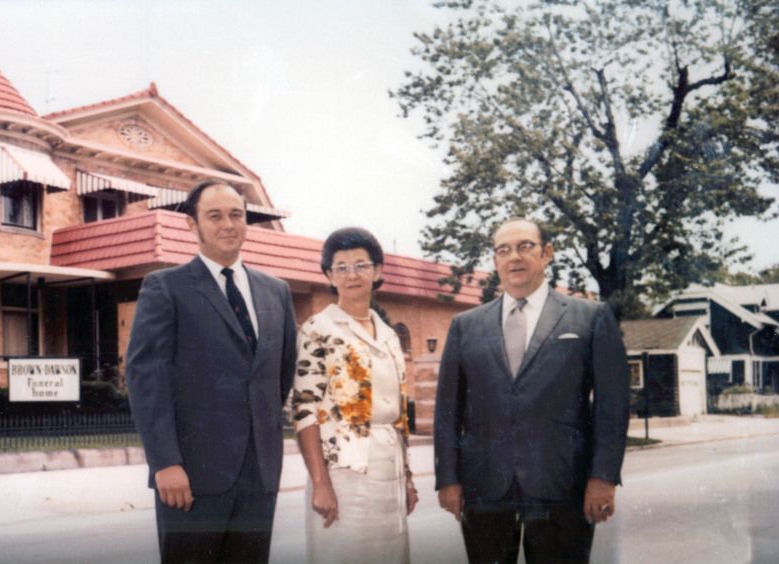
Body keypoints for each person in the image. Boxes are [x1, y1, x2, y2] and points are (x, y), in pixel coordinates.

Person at [434, 217, 630, 563]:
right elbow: (447, 410)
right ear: (495, 260)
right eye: (503, 250)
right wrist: (447, 478)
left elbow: (612, 408)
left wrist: (603, 478)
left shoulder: (590, 318)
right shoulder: (465, 326)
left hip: (562, 485)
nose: (514, 257)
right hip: (485, 487)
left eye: (525, 246)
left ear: (547, 253)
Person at [125, 180, 297, 563]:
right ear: (193, 224)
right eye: (214, 215)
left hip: (259, 474)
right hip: (191, 477)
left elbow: (278, 376)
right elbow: (147, 382)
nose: (228, 224)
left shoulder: (276, 291)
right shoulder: (165, 287)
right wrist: (165, 462)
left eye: (236, 215)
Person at [292, 227, 419, 564]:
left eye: (361, 265)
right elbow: (305, 410)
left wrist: (406, 478)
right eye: (341, 267)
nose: (352, 275)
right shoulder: (318, 329)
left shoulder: (390, 335)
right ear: (329, 276)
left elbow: (399, 413)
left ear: (377, 272)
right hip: (342, 472)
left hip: (388, 467)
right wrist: (321, 483)